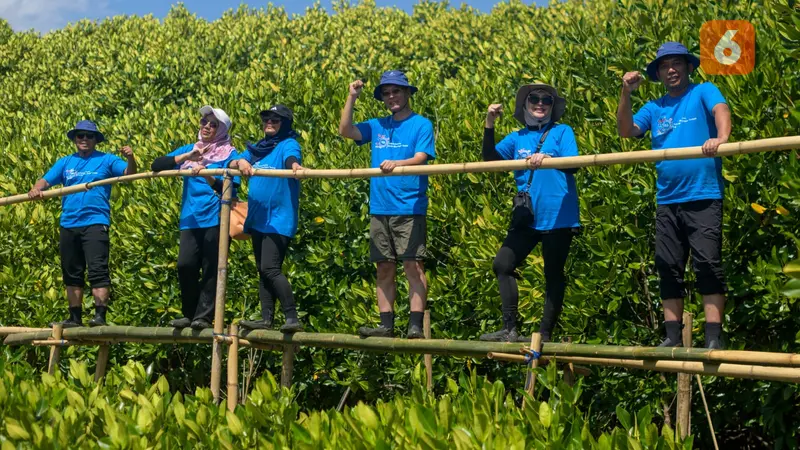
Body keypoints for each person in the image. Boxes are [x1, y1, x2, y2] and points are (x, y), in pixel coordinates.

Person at [617, 42, 732, 349]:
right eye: (665, 65)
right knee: (667, 265)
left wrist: (720, 138)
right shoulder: (655, 108)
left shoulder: (703, 90)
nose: (671, 70)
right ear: (658, 73)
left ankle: (713, 337)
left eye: (676, 63)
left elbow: (721, 109)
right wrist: (626, 93)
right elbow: (626, 130)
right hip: (668, 199)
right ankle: (671, 336)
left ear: (688, 67)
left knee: (707, 264)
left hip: (703, 195)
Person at [338, 70, 436, 339]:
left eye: (396, 91)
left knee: (413, 266)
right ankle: (386, 325)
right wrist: (351, 97)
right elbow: (345, 130)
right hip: (380, 207)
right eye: (386, 93)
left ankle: (414, 324)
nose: (391, 96)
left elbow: (421, 157)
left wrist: (397, 164)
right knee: (384, 267)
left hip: (408, 206)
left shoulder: (421, 124)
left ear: (407, 93)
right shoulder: (378, 125)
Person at [478, 84, 581, 343]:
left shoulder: (562, 132)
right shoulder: (517, 137)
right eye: (534, 99)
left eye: (547, 100)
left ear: (551, 106)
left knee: (553, 273)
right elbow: (489, 160)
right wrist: (489, 124)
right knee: (502, 264)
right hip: (528, 216)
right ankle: (509, 328)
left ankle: (545, 333)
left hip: (559, 216)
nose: (540, 103)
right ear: (525, 104)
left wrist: (549, 157)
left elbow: (575, 165)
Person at [28, 120, 137, 328]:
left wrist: (131, 158)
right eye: (80, 136)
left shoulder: (107, 160)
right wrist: (36, 188)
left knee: (97, 269)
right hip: (69, 222)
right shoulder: (66, 162)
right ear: (75, 139)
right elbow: (45, 181)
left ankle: (100, 316)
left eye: (89, 136)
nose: (84, 139)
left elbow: (129, 175)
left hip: (95, 222)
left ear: (96, 139)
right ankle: (74, 317)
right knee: (71, 271)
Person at [151, 106, 239, 330]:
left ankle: (204, 316)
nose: (207, 127)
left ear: (222, 129)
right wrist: (187, 157)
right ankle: (189, 314)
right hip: (190, 218)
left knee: (212, 268)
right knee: (185, 265)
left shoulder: (230, 154)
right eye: (204, 122)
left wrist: (208, 174)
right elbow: (156, 166)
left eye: (213, 124)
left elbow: (229, 189)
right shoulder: (192, 149)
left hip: (216, 216)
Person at [231, 105, 304, 334]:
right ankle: (266, 318)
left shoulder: (287, 144)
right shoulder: (256, 149)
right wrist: (241, 163)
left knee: (270, 268)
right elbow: (234, 162)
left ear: (286, 123)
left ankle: (292, 317)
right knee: (262, 270)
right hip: (258, 218)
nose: (269, 123)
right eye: (266, 119)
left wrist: (295, 167)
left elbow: (292, 159)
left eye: (275, 119)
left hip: (278, 219)